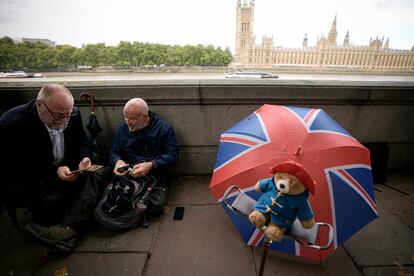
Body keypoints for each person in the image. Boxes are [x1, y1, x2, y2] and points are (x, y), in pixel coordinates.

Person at [0, 84, 110, 251]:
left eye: (68, 115)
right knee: (89, 198)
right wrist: (54, 172)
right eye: (59, 116)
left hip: (66, 169)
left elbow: (82, 142)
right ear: (39, 105)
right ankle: (66, 228)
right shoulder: (11, 124)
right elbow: (16, 167)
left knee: (102, 173)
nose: (65, 121)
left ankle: (65, 232)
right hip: (32, 179)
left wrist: (84, 158)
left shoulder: (72, 113)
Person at [111, 98, 179, 218]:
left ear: (145, 117)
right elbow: (114, 151)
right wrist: (118, 161)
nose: (127, 122)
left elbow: (173, 153)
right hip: (128, 171)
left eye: (132, 118)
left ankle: (126, 203)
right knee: (98, 175)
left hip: (154, 173)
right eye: (125, 117)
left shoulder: (163, 128)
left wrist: (151, 164)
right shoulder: (122, 129)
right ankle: (131, 203)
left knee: (156, 205)